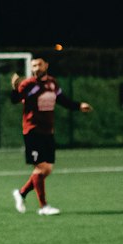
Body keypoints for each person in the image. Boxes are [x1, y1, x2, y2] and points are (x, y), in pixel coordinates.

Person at [10, 54, 91, 215]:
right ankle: (43, 207)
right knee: (40, 168)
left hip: (48, 131)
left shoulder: (52, 83)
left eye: (38, 65)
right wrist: (14, 88)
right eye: (33, 66)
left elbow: (62, 99)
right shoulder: (28, 84)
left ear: (46, 65)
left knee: (46, 169)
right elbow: (15, 99)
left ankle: (21, 193)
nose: (36, 68)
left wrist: (78, 106)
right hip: (32, 131)